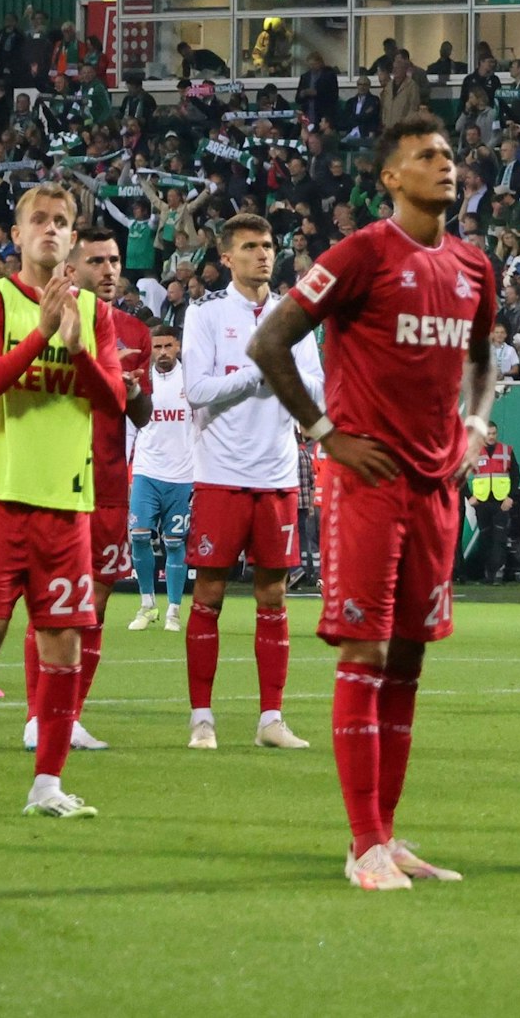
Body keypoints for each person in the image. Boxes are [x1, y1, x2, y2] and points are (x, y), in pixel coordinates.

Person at [248, 110, 499, 890]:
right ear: (391, 178)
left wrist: (476, 424)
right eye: (427, 155)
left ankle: (387, 839)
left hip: (435, 487)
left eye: (450, 153)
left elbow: (482, 358)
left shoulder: (472, 265)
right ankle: (361, 845)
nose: (445, 165)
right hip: (365, 484)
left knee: (409, 662)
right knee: (366, 653)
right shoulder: (361, 252)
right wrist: (325, 432)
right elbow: (270, 342)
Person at [0, 183, 126, 819]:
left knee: (63, 647)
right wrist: (39, 337)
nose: (49, 228)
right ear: (16, 235)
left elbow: (115, 400)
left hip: (66, 503)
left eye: (61, 222)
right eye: (37, 219)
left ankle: (47, 786)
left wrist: (74, 347)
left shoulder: (94, 313)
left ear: (72, 239)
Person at [181, 213, 324, 751]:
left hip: (277, 475)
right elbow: (195, 389)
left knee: (273, 597)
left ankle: (271, 719)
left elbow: (319, 391)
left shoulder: (294, 316)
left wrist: (280, 366)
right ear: (226, 258)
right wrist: (261, 372)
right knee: (209, 594)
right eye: (249, 247)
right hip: (220, 475)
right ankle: (202, 718)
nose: (262, 254)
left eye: (267, 245)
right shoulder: (206, 316)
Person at [19, 224, 152, 751]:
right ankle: (37, 717)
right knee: (54, 601)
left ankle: (69, 716)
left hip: (111, 480)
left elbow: (139, 414)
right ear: (70, 270)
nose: (110, 271)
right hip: (57, 475)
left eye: (115, 261)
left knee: (94, 602)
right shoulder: (44, 320)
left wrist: (136, 391)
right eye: (97, 261)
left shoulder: (134, 332)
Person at [127, 323, 194, 629]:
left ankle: (174, 611)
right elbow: (131, 424)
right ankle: (147, 605)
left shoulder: (191, 379)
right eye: (157, 347)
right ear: (149, 349)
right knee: (138, 535)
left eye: (168, 346)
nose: (163, 353)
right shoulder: (143, 379)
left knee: (176, 543)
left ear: (177, 346)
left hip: (182, 474)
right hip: (147, 471)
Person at [468, 421, 520, 584]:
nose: (491, 437)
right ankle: (487, 575)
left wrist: (510, 497)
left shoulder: (506, 451)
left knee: (499, 538)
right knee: (485, 539)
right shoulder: (474, 452)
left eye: (493, 433)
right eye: (488, 434)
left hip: (501, 502)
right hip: (482, 502)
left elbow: (516, 476)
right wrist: (469, 496)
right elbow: (460, 474)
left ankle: (496, 574)